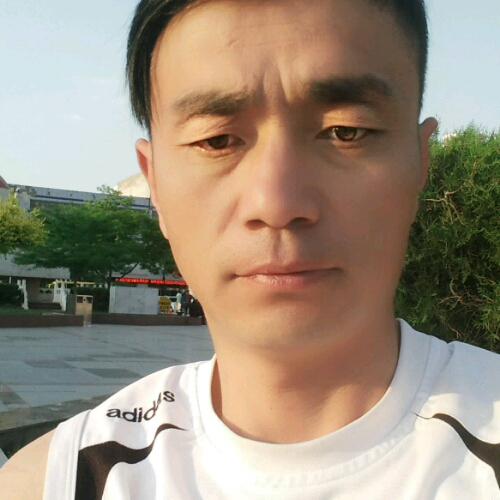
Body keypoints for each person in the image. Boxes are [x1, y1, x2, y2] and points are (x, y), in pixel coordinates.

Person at [1, 0, 499, 498]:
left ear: (420, 164)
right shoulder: (61, 480)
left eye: (345, 131)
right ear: (155, 183)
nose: (277, 203)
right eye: (217, 141)